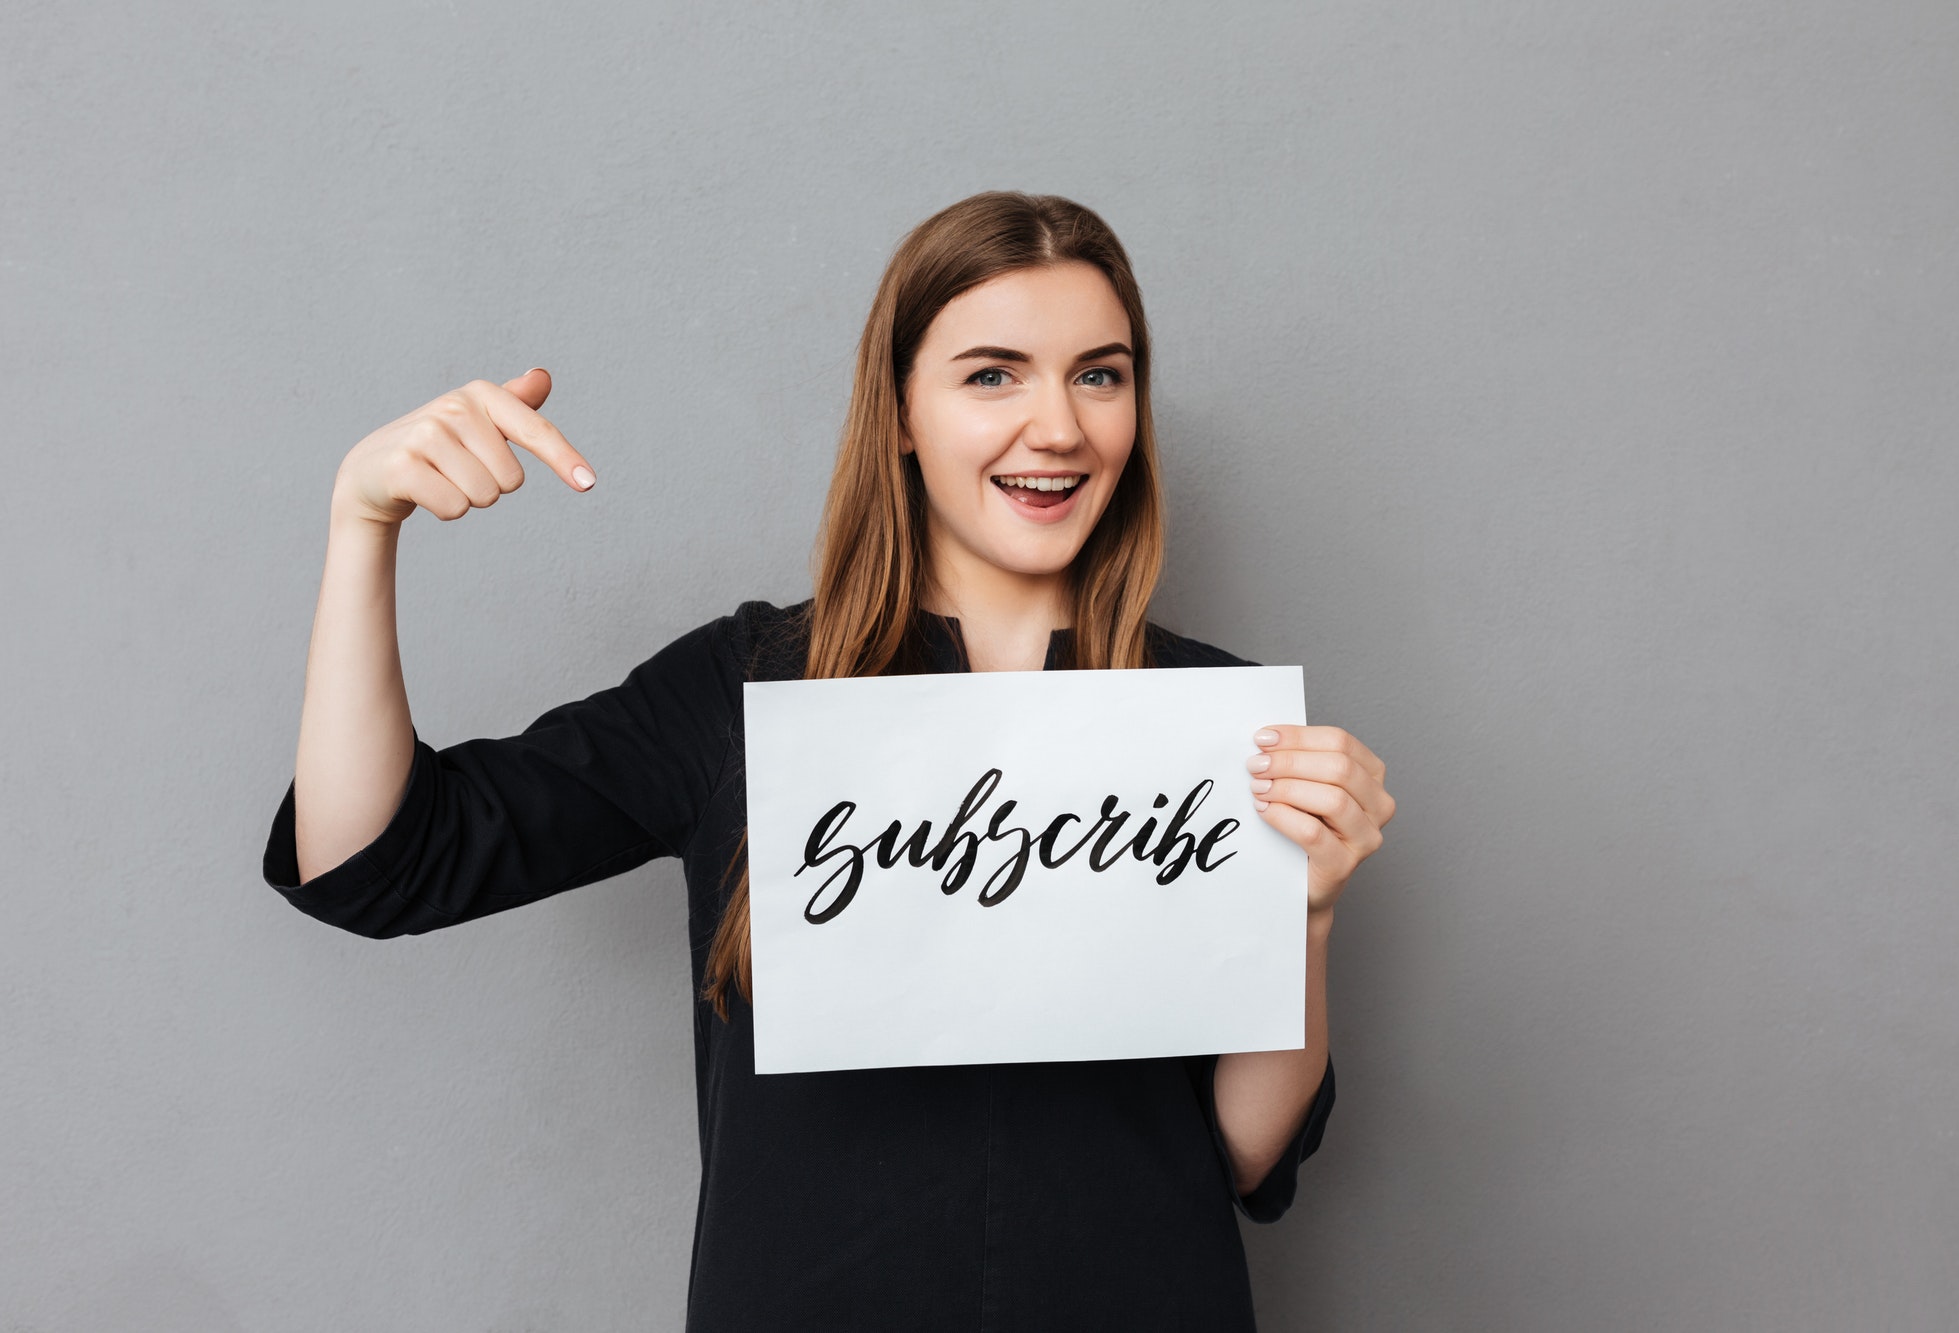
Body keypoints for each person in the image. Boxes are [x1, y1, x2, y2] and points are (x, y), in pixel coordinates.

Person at [262, 190, 1396, 1331]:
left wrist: (1299, 919)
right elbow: (377, 862)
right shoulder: (744, 691)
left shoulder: (1211, 722)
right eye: (991, 374)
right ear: (900, 409)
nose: (1058, 425)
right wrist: (363, 524)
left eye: (1098, 375)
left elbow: (1243, 1156)